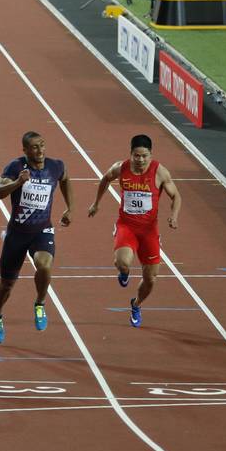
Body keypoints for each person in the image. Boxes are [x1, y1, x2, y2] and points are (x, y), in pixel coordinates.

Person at [87, 134, 180, 328]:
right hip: (126, 226)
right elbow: (105, 179)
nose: (140, 160)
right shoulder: (121, 168)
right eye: (136, 156)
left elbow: (176, 196)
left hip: (149, 231)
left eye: (144, 156)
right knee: (123, 263)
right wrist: (96, 204)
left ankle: (136, 304)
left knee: (151, 279)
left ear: (150, 155)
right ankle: (124, 272)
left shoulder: (160, 172)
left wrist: (174, 216)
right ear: (130, 154)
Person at [0, 131, 71, 344]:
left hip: (42, 231)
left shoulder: (55, 166)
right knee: (6, 286)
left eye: (42, 145)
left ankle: (40, 303)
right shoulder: (15, 168)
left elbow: (66, 179)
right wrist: (17, 183)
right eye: (34, 147)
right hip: (16, 235)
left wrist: (70, 208)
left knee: (44, 265)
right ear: (25, 151)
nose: (40, 150)